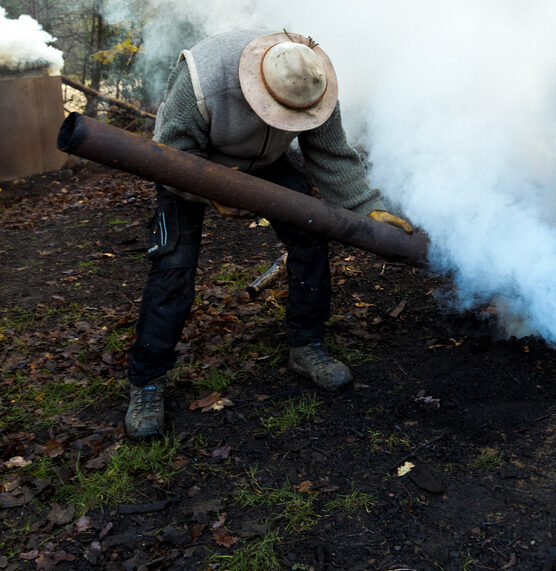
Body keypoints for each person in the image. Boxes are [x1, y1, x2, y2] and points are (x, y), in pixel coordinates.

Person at [125, 28, 412, 438]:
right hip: (191, 165)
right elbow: (170, 154)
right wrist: (209, 190)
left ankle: (306, 345)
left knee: (310, 236)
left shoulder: (313, 81)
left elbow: (331, 156)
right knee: (174, 264)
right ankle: (147, 380)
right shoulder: (204, 81)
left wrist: (370, 209)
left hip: (268, 162)